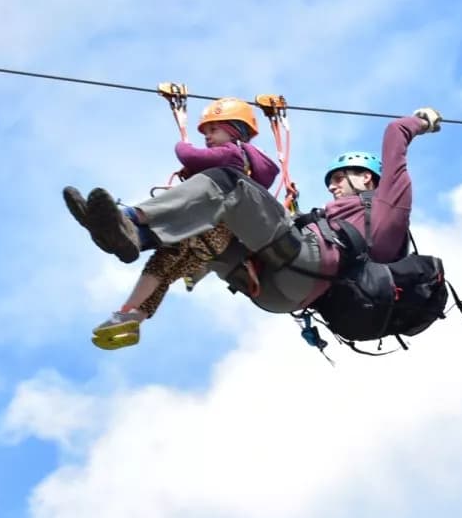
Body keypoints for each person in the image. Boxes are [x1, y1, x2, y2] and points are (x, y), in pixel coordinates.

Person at [65, 105, 442, 328]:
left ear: (370, 178)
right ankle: (133, 305)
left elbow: (396, 132)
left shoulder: (391, 204)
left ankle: (132, 221)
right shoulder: (343, 222)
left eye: (342, 177)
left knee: (230, 184)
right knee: (201, 238)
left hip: (303, 268)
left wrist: (422, 120)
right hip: (277, 290)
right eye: (332, 180)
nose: (333, 185)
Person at [64, 97, 279, 348]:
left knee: (163, 226)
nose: (208, 137)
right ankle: (130, 316)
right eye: (206, 132)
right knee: (162, 270)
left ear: (234, 131)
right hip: (215, 243)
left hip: (202, 224)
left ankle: (126, 222)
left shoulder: (232, 152)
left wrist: (182, 145)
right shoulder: (243, 166)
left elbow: (189, 155)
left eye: (213, 130)